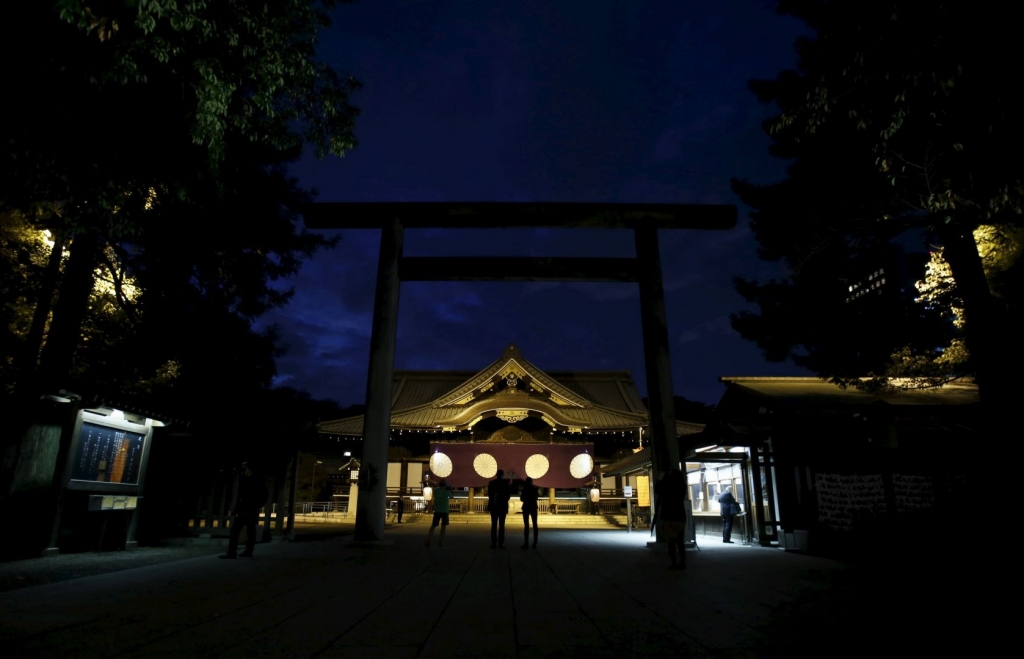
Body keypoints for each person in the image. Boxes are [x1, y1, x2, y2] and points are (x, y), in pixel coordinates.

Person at [221, 462, 268, 559]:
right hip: (252, 507)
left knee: (235, 529)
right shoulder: (259, 480)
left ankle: (232, 552)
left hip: (246, 507)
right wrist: (258, 505)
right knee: (251, 529)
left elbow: (244, 495)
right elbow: (264, 495)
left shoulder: (250, 480)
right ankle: (248, 550)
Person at [654, 467, 688, 570]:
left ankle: (673, 563)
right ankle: (682, 562)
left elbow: (658, 490)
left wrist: (660, 479)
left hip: (669, 515)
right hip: (680, 515)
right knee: (680, 541)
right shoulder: (682, 485)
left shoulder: (667, 485)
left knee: (671, 541)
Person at [425, 479, 454, 546]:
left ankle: (428, 540)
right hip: (445, 510)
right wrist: (449, 489)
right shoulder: (447, 491)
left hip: (437, 510)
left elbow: (433, 496)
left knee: (433, 526)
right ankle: (440, 541)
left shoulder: (436, 490)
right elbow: (451, 497)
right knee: (443, 527)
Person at [488, 469, 511, 549]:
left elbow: (489, 495)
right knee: (502, 525)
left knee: (494, 525)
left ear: (496, 474)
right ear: (502, 474)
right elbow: (508, 495)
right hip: (502, 506)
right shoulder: (505, 483)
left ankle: (493, 543)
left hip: (494, 506)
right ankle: (501, 543)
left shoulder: (491, 483)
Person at [519, 476, 539, 549]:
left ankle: (526, 543)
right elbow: (536, 498)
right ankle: (535, 543)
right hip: (533, 507)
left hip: (526, 507)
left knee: (526, 525)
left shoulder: (525, 489)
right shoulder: (535, 489)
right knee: (535, 525)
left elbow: (521, 498)